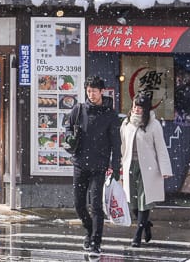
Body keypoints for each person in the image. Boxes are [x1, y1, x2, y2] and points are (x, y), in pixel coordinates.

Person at [64, 75, 121, 255]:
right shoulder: (79, 109)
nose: (91, 94)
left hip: (99, 166)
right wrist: (69, 137)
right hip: (80, 164)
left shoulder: (110, 114)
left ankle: (96, 241)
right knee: (78, 204)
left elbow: (116, 143)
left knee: (96, 206)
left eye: (94, 91)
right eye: (88, 91)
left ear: (102, 91)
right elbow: (67, 127)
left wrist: (116, 166)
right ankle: (89, 230)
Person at [120, 91, 173, 247]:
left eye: (140, 107)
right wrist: (117, 165)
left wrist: (165, 169)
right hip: (130, 165)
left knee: (144, 201)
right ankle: (146, 225)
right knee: (133, 203)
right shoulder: (126, 123)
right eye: (135, 106)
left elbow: (161, 148)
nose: (136, 109)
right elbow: (122, 146)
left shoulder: (153, 124)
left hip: (148, 168)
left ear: (146, 109)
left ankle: (137, 235)